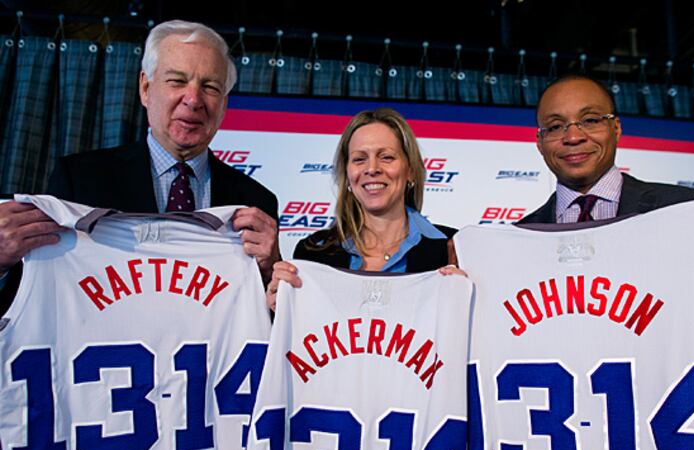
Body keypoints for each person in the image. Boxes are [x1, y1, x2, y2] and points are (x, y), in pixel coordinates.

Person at [0, 20, 280, 315]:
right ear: (145, 88)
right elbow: (31, 304)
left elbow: (272, 326)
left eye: (210, 87)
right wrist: (3, 262)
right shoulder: (80, 179)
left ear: (224, 105)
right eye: (177, 81)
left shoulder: (256, 203)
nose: (194, 99)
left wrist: (270, 271)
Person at [520, 74, 694, 342]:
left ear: (617, 128)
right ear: (539, 142)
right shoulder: (516, 240)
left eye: (590, 120)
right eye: (555, 127)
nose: (573, 136)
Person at [267, 108, 459, 310]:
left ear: (410, 170)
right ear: (347, 173)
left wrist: (471, 307)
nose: (372, 168)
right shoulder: (312, 252)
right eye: (359, 159)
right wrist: (277, 310)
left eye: (386, 157)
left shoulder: (452, 250)